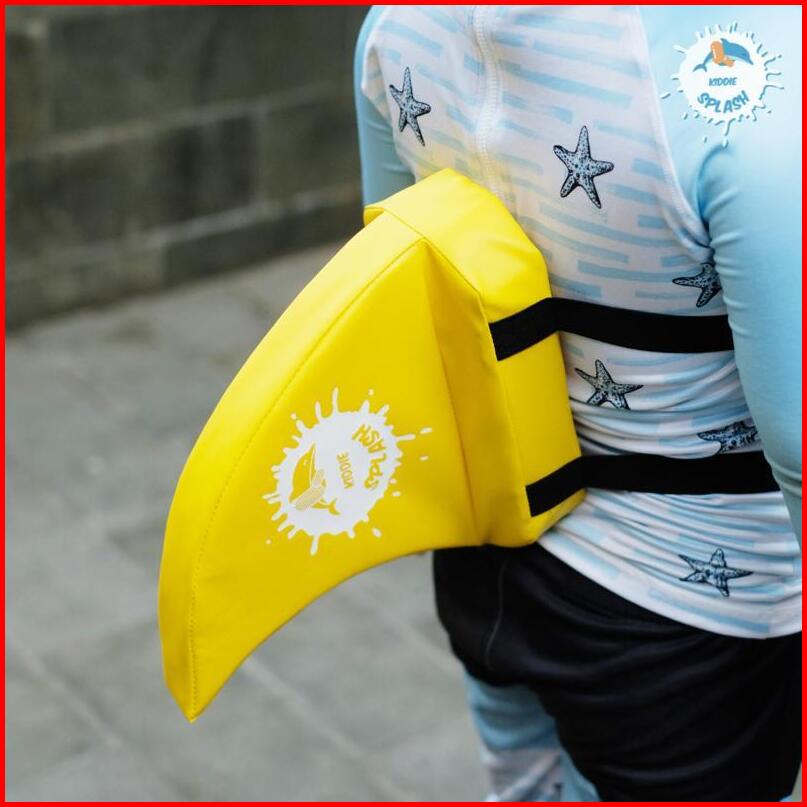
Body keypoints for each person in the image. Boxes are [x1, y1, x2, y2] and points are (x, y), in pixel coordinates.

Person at [354, 5, 801, 802]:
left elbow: (397, 288)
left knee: (522, 786)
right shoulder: (751, 83)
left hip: (485, 547)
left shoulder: (394, 26)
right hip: (691, 619)